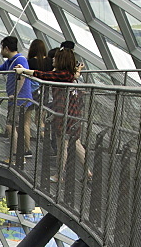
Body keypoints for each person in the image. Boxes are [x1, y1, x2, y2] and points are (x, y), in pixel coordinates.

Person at [15, 48, 88, 181]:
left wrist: (24, 71)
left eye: (56, 58)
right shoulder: (68, 74)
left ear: (61, 60)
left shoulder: (63, 75)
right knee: (76, 143)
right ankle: (88, 173)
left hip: (64, 113)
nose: (53, 59)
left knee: (62, 145)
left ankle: (59, 176)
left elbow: (44, 76)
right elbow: (48, 74)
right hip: (72, 112)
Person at [0, 36, 33, 160]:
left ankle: (16, 156)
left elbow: (23, 76)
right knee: (15, 125)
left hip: (19, 99)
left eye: (1, 48)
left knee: (10, 125)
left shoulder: (20, 60)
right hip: (17, 99)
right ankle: (19, 154)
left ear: (7, 48)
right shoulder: (11, 61)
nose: (0, 50)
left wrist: (16, 94)